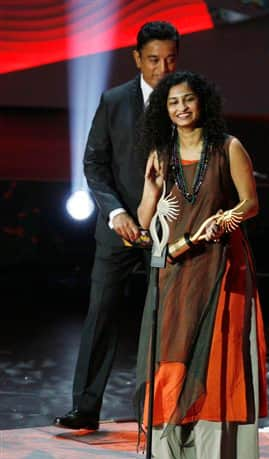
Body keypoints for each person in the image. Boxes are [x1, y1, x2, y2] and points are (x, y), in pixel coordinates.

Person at [135, 71, 268, 459]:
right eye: (173, 103)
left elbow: (251, 204)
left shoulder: (228, 147)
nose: (181, 108)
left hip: (224, 267)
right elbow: (144, 220)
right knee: (174, 359)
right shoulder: (161, 154)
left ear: (202, 103)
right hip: (176, 268)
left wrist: (226, 218)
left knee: (223, 362)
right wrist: (150, 187)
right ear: (165, 110)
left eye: (188, 100)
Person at [54, 21, 180, 431]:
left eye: (170, 59)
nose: (163, 68)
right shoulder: (114, 100)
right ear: (137, 59)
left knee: (165, 321)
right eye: (154, 60)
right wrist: (116, 214)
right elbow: (95, 163)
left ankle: (161, 411)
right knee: (102, 314)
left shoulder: (186, 100)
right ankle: (85, 408)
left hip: (168, 229)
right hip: (118, 229)